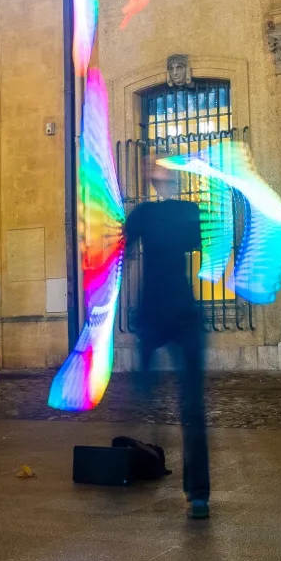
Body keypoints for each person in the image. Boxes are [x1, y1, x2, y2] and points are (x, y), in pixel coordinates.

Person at [125, 159, 210, 519]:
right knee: (148, 386)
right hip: (154, 315)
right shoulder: (143, 214)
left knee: (192, 408)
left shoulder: (186, 212)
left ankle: (198, 494)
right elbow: (123, 256)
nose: (160, 176)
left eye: (164, 172)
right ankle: (145, 376)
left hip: (183, 315)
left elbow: (198, 245)